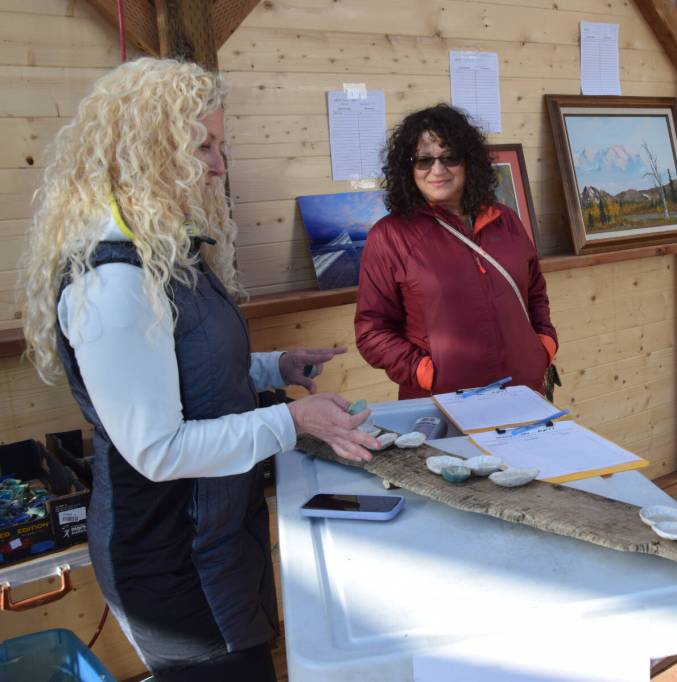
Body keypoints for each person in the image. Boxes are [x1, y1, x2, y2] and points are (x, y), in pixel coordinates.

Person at [20, 58, 379, 681]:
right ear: (148, 151)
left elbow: (190, 367)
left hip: (216, 534)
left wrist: (276, 366)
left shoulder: (163, 249)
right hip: (168, 558)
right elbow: (158, 449)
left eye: (219, 146)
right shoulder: (114, 281)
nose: (217, 165)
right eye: (200, 146)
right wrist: (291, 421)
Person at [355, 104, 557, 398]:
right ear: (408, 168)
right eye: (423, 160)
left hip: (525, 393)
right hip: (444, 402)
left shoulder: (506, 220)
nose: (437, 170)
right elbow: (372, 332)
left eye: (449, 157)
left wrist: (544, 347)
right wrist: (426, 373)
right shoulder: (391, 236)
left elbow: (536, 294)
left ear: (469, 162)